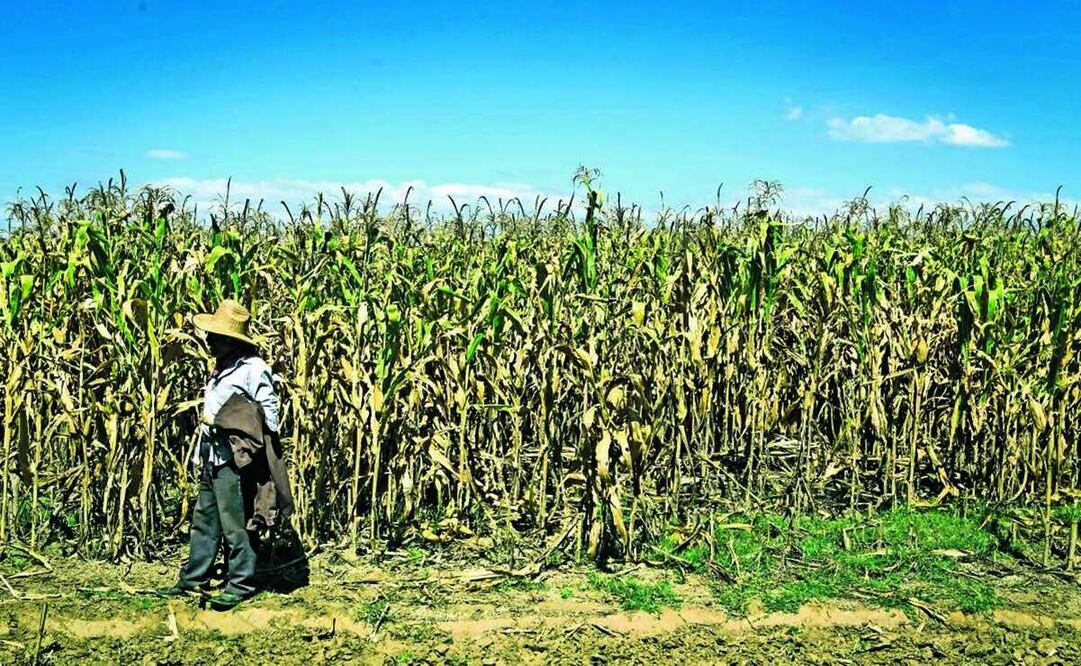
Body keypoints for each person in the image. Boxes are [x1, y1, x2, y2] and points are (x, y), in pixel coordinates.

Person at [157, 299, 280, 610]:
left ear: (232, 340)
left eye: (215, 336)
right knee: (205, 520)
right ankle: (193, 579)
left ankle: (240, 583)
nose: (208, 340)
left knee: (235, 523)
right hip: (211, 456)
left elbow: (270, 417)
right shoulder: (220, 367)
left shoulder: (254, 370)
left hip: (234, 461)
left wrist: (228, 422)